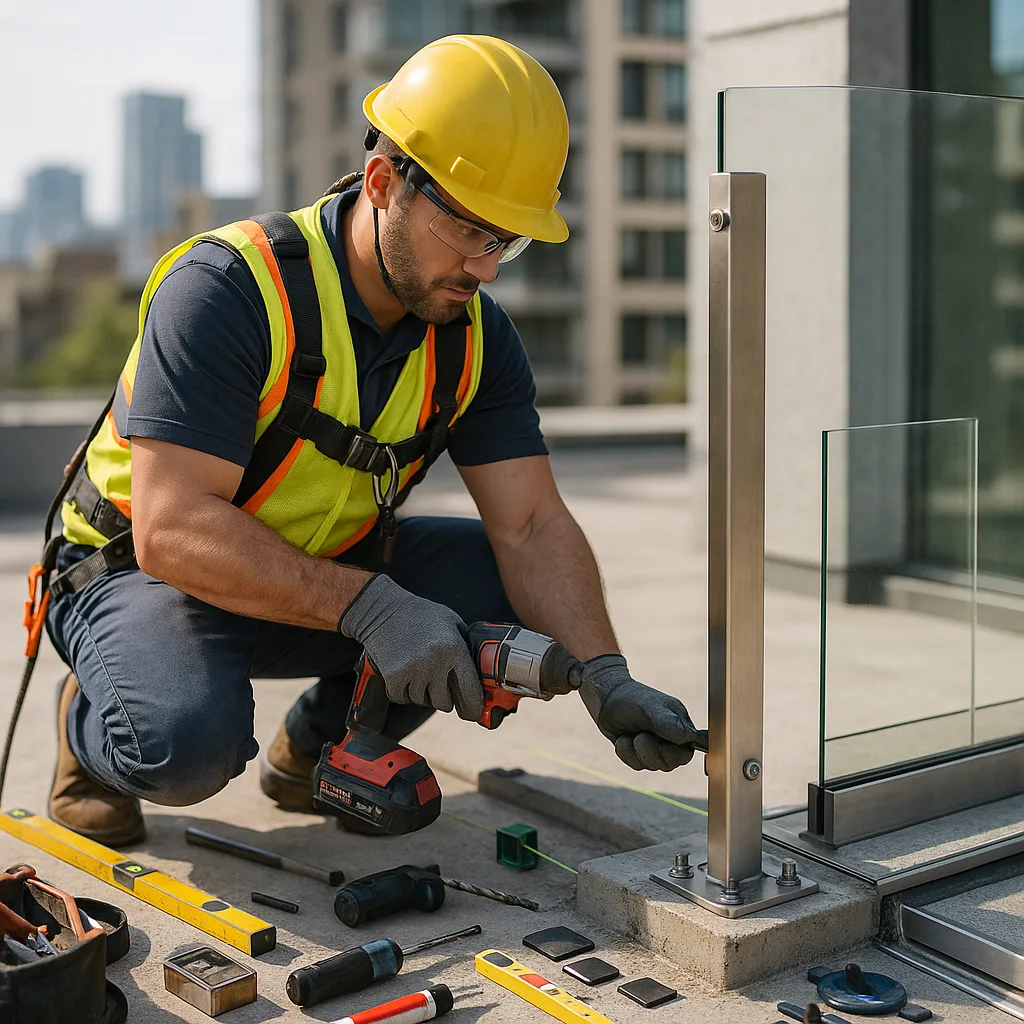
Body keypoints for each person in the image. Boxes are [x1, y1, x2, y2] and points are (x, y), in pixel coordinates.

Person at [45, 34, 702, 847]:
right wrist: (371, 605)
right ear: (384, 182)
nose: (488, 268)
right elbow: (171, 528)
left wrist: (604, 673)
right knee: (182, 745)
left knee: (504, 594)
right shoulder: (226, 292)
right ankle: (91, 717)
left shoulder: (475, 339)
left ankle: (316, 750)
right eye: (469, 231)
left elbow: (531, 526)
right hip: (140, 576)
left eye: (506, 240)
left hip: (315, 575)